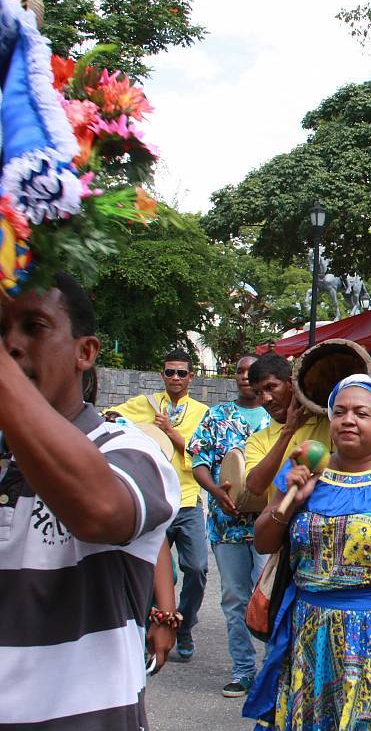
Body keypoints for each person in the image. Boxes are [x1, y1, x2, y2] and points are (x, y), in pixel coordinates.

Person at [0, 273, 180, 728]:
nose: (12, 345)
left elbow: (100, 512)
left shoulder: (130, 449)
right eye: (1, 332)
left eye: (34, 326)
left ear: (86, 352)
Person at [243, 375, 371, 730]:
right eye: (339, 412)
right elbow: (263, 542)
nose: (348, 420)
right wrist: (290, 501)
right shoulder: (304, 474)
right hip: (312, 633)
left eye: (361, 413)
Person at [110, 348, 209, 660]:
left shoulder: (203, 412)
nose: (175, 378)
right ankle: (153, 625)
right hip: (156, 500)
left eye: (181, 372)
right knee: (153, 572)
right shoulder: (147, 404)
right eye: (170, 372)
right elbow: (111, 417)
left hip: (189, 500)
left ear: (191, 376)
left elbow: (201, 451)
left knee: (197, 568)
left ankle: (185, 622)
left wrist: (170, 431)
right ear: (162, 375)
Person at [187, 354, 271, 697]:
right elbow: (198, 461)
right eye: (239, 371)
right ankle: (242, 670)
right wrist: (215, 493)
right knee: (234, 598)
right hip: (227, 525)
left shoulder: (276, 418)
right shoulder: (216, 416)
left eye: (252, 371)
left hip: (269, 525)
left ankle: (273, 671)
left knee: (268, 598)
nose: (245, 376)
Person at [243, 353, 329, 498]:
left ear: (291, 383)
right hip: (281, 520)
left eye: (270, 387)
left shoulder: (327, 423)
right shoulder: (257, 440)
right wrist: (288, 431)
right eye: (258, 393)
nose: (265, 399)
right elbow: (255, 487)